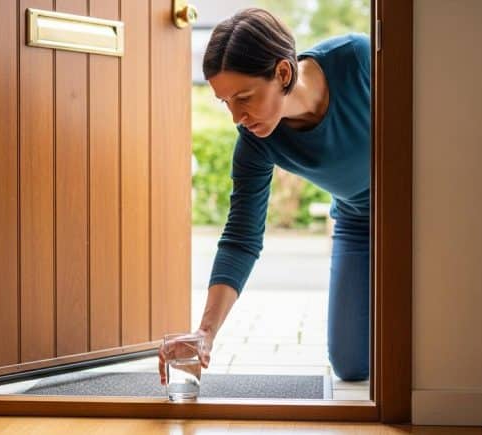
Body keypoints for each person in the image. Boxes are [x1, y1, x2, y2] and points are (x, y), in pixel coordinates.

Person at [159, 7, 371, 385]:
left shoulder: (358, 60)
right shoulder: (256, 142)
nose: (236, 117)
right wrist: (205, 333)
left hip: (421, 204)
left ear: (283, 73)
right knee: (350, 364)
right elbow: (241, 237)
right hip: (359, 221)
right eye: (226, 102)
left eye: (244, 96)